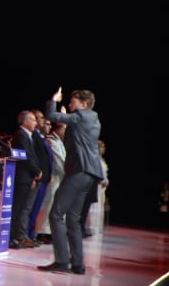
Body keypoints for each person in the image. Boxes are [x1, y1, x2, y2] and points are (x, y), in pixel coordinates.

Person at [40, 87, 102, 275]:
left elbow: (51, 115)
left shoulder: (80, 116)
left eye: (73, 101)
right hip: (89, 174)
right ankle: (77, 264)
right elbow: (76, 135)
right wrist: (68, 117)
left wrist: (54, 99)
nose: (69, 103)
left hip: (78, 172)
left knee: (56, 214)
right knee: (73, 219)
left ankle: (62, 261)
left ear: (84, 103)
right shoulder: (93, 119)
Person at [9, 110, 45, 249]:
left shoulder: (28, 135)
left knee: (22, 209)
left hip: (28, 177)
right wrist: (36, 171)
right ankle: (12, 238)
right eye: (33, 120)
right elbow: (25, 156)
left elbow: (32, 156)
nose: (36, 123)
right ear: (25, 121)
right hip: (22, 178)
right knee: (17, 209)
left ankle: (17, 237)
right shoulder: (20, 134)